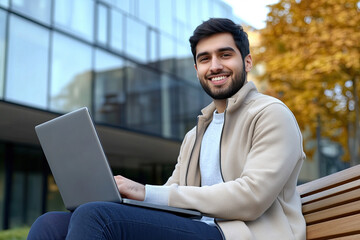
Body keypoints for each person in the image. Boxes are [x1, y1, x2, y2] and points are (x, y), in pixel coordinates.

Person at [27, 18, 306, 240]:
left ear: (246, 62)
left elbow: (251, 198)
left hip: (242, 234)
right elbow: (173, 191)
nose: (215, 65)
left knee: (95, 217)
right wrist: (125, 196)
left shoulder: (271, 114)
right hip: (198, 228)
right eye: (205, 58)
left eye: (225, 54)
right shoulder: (196, 134)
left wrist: (145, 191)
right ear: (196, 68)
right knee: (50, 224)